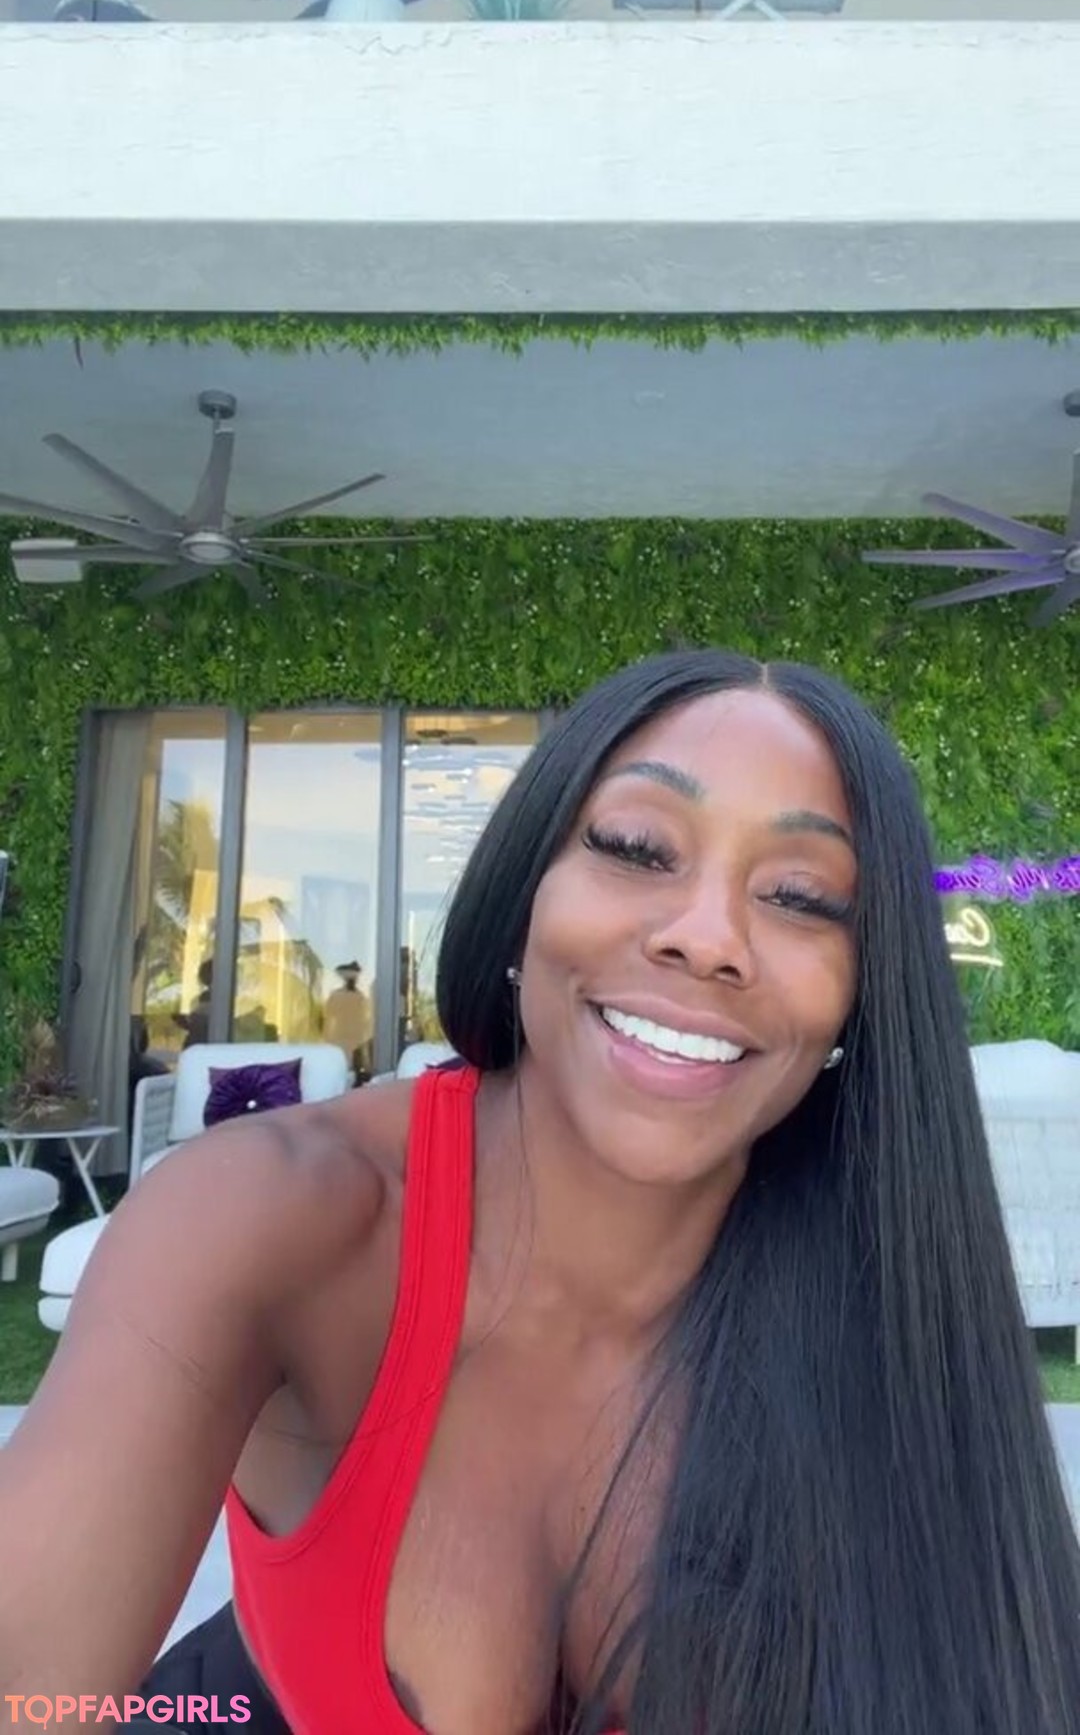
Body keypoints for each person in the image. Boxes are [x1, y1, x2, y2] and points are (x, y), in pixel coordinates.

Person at [2, 648, 1079, 1735]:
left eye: (801, 896)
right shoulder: (268, 1218)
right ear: (526, 891)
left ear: (860, 990)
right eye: (636, 847)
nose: (707, 936)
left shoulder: (893, 1306)